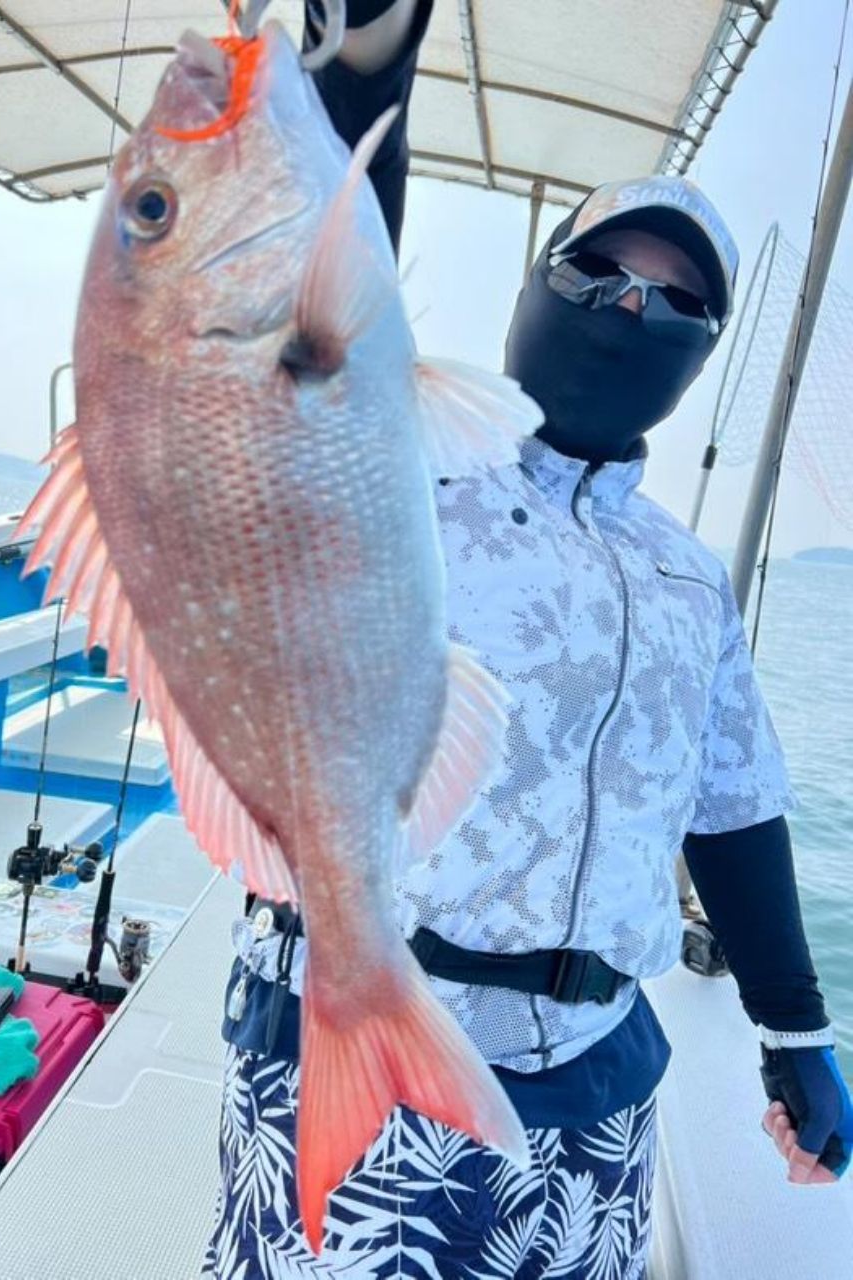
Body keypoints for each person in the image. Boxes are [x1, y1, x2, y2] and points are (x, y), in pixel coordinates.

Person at [203, 2, 853, 1275]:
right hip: (363, 1052)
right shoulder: (396, 464)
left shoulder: (685, 576)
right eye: (598, 273)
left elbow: (732, 804)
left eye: (674, 301)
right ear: (533, 286)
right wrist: (358, 70)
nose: (629, 306)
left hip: (598, 1090)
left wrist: (791, 1023)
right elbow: (322, 306)